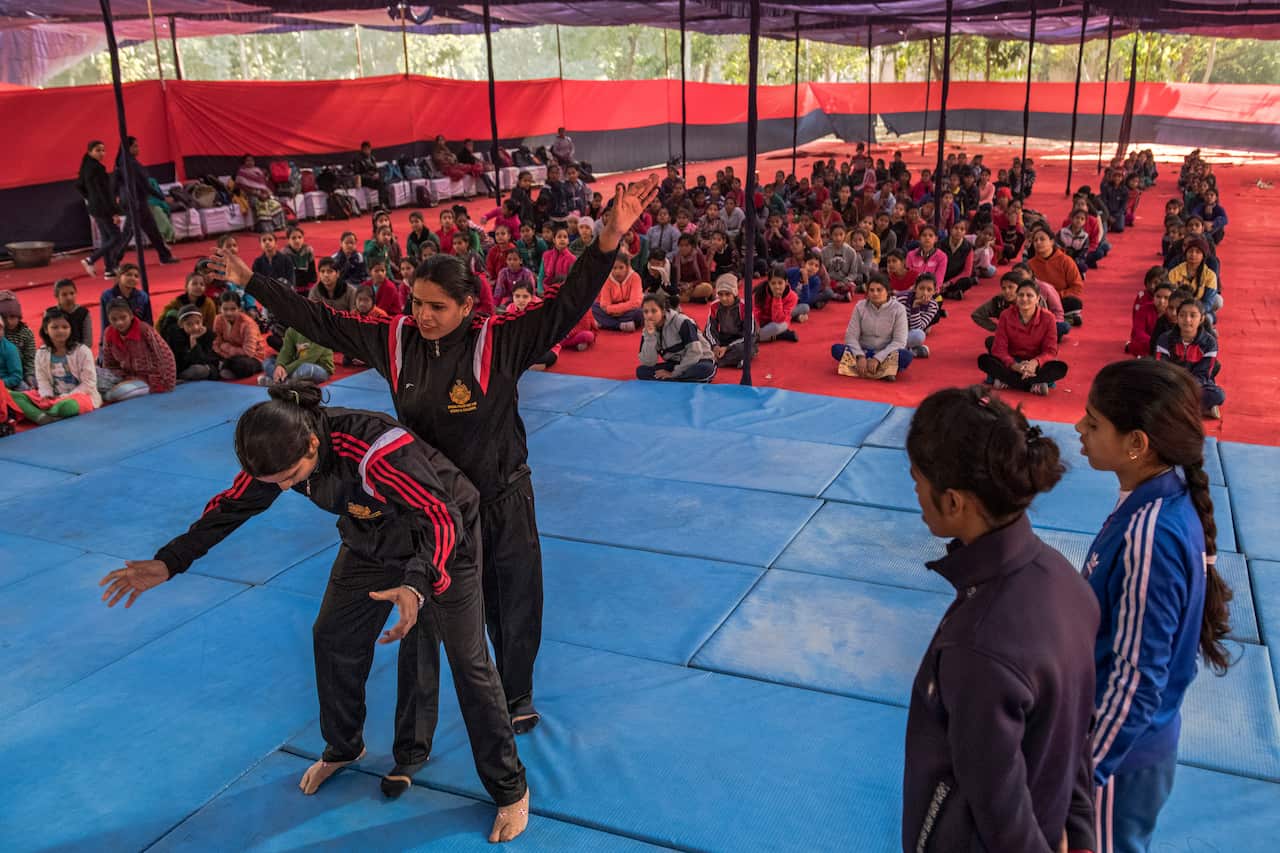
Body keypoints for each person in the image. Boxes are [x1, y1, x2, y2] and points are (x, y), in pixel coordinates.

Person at [212, 174, 660, 733]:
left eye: (438, 307)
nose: (423, 316)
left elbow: (567, 304)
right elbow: (320, 321)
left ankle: (516, 695)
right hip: (430, 505)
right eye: (418, 303)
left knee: (515, 600)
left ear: (468, 306)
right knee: (429, 616)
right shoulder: (394, 340)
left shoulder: (500, 339)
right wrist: (254, 281)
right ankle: (413, 740)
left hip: (501, 495)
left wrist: (607, 240)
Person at [97, 383, 530, 842]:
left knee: (468, 661)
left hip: (445, 535)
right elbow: (233, 506)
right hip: (369, 537)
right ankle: (344, 747)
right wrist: (171, 560)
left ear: (313, 444)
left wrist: (415, 585)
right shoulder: (278, 456)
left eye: (291, 476)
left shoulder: (375, 451)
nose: (286, 487)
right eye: (277, 482)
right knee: (332, 636)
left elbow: (441, 518)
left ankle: (510, 788)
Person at [903, 386, 1098, 853]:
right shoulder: (1062, 579)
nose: (914, 491)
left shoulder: (978, 646)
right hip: (1054, 827)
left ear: (953, 502)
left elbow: (1000, 811)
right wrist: (1082, 831)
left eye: (916, 480)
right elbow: (1077, 735)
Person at [1075, 359, 1234, 852]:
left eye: (1094, 422)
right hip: (1128, 753)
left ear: (1137, 444)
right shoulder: (1154, 501)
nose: (1078, 428)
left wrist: (1083, 776)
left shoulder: (1151, 533)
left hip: (1117, 763)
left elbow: (1137, 678)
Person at [9, 308, 101, 425]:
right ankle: (44, 416)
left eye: (65, 327)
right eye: (54, 327)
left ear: (71, 329)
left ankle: (43, 414)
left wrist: (65, 397)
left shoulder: (83, 351)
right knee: (14, 396)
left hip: (79, 397)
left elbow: (89, 383)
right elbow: (42, 380)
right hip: (52, 398)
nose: (60, 331)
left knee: (68, 406)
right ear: (46, 330)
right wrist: (46, 395)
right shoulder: (41, 353)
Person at [978, 279, 1068, 396]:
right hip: (1012, 361)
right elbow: (999, 349)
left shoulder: (1048, 318)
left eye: (1029, 295)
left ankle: (1009, 381)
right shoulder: (1005, 315)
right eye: (1021, 295)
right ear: (1016, 298)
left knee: (1059, 367)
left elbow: (1050, 350)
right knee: (985, 360)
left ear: (1038, 299)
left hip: (1035, 364)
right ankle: (1034, 383)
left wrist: (1034, 363)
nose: (1024, 299)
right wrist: (1015, 365)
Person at [831, 274, 911, 382]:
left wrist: (878, 358)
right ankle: (884, 372)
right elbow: (851, 336)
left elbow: (899, 341)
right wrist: (860, 356)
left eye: (879, 290)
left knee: (905, 356)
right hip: (864, 351)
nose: (875, 294)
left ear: (887, 291)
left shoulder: (898, 309)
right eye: (871, 290)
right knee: (836, 349)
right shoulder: (860, 306)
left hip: (886, 354)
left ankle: (860, 370)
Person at [113, 136, 178, 265]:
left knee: (151, 230)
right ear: (129, 148)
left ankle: (165, 256)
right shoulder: (132, 164)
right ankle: (113, 262)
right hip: (136, 202)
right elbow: (146, 185)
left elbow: (114, 186)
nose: (138, 149)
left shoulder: (119, 164)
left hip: (132, 202)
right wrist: (162, 197)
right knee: (129, 233)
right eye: (135, 146)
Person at [1155, 299, 1225, 418]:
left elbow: (1203, 375)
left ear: (1201, 319)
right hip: (1170, 385)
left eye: (1193, 315)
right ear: (1177, 318)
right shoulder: (1164, 339)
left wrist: (1185, 389)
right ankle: (1194, 410)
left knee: (1218, 395)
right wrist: (1176, 387)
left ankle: (1175, 409)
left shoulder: (1209, 343)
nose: (1187, 320)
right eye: (1182, 315)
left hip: (1194, 387)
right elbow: (1162, 369)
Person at [99, 297, 176, 402]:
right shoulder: (108, 333)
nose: (119, 323)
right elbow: (109, 363)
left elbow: (165, 356)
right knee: (95, 374)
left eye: (123, 318)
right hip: (123, 377)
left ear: (131, 316)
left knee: (120, 392)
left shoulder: (144, 330)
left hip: (147, 379)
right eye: (114, 319)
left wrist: (167, 384)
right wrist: (110, 378)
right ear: (109, 319)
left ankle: (104, 396)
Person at [637, 291, 716, 382]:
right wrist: (650, 337)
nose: (649, 315)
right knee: (642, 371)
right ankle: (683, 379)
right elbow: (648, 362)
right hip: (675, 363)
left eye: (654, 311)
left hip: (699, 360)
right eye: (645, 312)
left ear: (663, 311)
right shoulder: (647, 331)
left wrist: (674, 373)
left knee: (704, 369)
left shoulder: (682, 322)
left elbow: (695, 352)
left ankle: (674, 378)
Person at [77, 140, 126, 278]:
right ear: (90, 152)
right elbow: (105, 193)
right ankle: (91, 259)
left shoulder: (86, 167)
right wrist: (114, 212)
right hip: (103, 208)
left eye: (103, 150)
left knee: (106, 238)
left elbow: (78, 185)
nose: (101, 153)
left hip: (95, 208)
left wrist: (89, 198)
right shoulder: (97, 169)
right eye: (97, 150)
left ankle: (109, 270)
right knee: (116, 237)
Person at [1027, 228, 1084, 325]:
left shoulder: (1066, 261)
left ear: (1052, 241)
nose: (1038, 242)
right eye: (1035, 240)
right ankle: (1066, 319)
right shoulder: (1030, 264)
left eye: (1042, 239)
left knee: (1074, 303)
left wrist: (1056, 296)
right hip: (1039, 302)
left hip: (1060, 300)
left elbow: (1077, 287)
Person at [212, 291, 265, 380]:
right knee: (208, 352)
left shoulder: (248, 324)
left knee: (242, 364)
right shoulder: (218, 319)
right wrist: (225, 354)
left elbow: (249, 352)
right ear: (219, 308)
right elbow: (216, 344)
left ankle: (223, 368)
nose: (229, 313)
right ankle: (224, 367)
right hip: (227, 355)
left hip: (251, 357)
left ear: (239, 309)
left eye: (233, 309)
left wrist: (226, 347)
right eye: (225, 309)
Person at [165, 303, 221, 382]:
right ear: (181, 325)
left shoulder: (208, 334)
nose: (195, 327)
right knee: (197, 370)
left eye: (198, 322)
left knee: (204, 369)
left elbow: (208, 359)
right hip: (184, 368)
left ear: (202, 321)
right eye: (189, 324)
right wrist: (193, 340)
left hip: (205, 366)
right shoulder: (176, 337)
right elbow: (182, 362)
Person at [705, 275, 754, 368]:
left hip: (739, 341)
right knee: (700, 342)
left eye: (727, 294)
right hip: (723, 339)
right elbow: (709, 330)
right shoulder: (714, 306)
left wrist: (728, 348)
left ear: (734, 293)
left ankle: (715, 360)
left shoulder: (744, 307)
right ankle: (728, 360)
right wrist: (715, 346)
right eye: (720, 294)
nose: (723, 298)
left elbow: (749, 333)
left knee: (747, 348)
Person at [260, 328, 334, 387]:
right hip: (295, 367)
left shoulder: (321, 331)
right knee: (267, 362)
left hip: (319, 368)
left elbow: (309, 359)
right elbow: (285, 352)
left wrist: (285, 370)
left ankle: (279, 381)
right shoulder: (292, 330)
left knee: (306, 368)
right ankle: (285, 382)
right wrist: (279, 365)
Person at [592, 257, 644, 332]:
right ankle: (619, 325)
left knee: (639, 313)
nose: (617, 271)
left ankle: (605, 324)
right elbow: (604, 305)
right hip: (612, 312)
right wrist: (613, 310)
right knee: (593, 308)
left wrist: (616, 310)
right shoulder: (606, 278)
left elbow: (635, 302)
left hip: (628, 310)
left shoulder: (635, 277)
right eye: (614, 268)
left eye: (621, 267)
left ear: (627, 267)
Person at [98, 263, 153, 335]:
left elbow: (148, 323)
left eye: (136, 276)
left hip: (139, 336)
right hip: (116, 337)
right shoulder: (107, 296)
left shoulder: (143, 296)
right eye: (128, 274)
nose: (133, 278)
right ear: (119, 277)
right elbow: (105, 323)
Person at [755, 265, 803, 342]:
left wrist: (777, 298)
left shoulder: (793, 297)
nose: (777, 286)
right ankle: (778, 336)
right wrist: (756, 324)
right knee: (745, 326)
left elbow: (778, 319)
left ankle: (755, 338)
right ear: (768, 283)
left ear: (786, 282)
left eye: (780, 283)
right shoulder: (761, 291)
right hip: (761, 321)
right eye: (773, 283)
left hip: (778, 322)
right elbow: (755, 310)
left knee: (777, 327)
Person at [898, 273, 940, 359]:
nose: (924, 293)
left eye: (929, 290)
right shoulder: (902, 300)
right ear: (914, 288)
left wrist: (916, 306)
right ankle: (910, 351)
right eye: (921, 288)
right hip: (895, 333)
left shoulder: (933, 306)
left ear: (934, 292)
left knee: (919, 335)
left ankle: (902, 350)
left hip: (908, 335)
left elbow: (917, 327)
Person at [0, 291, 36, 389]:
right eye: (4, 317)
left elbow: (30, 357)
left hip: (23, 371)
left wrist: (29, 375)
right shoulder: (2, 333)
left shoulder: (26, 333)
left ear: (19, 316)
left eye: (12, 316)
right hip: (6, 373)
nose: (9, 321)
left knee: (30, 386)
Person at [52, 279, 94, 350]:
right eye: (64, 295)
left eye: (72, 293)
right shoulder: (51, 313)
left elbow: (88, 341)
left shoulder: (83, 313)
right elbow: (48, 338)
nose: (69, 297)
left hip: (80, 353)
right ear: (57, 296)